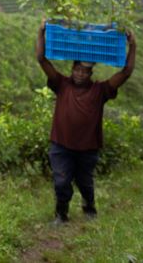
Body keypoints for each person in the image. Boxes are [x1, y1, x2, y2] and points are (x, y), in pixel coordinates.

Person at [35, 22, 136, 223]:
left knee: (85, 182)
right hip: (61, 145)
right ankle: (61, 215)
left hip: (88, 148)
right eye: (77, 70)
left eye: (85, 71)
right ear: (72, 69)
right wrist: (41, 32)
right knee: (61, 181)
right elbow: (41, 58)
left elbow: (125, 72)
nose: (80, 74)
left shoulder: (100, 91)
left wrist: (133, 45)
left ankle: (89, 208)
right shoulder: (61, 84)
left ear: (91, 74)